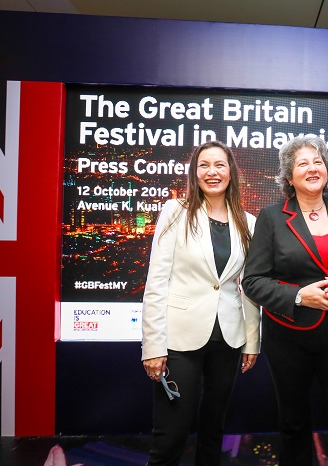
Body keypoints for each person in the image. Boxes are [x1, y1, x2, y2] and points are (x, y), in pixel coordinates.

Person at [241, 135, 328, 465]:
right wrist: (300, 296)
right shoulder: (272, 218)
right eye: (302, 163)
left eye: (318, 161)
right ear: (289, 176)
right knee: (294, 424)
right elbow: (253, 281)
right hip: (288, 337)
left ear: (327, 170)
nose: (312, 168)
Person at [141, 140, 260, 466]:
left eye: (219, 165)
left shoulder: (247, 222)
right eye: (204, 165)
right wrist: (153, 346)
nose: (212, 172)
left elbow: (247, 287)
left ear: (231, 172)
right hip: (180, 339)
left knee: (213, 432)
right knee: (171, 435)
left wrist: (253, 340)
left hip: (229, 339)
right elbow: (156, 283)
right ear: (194, 173)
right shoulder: (174, 212)